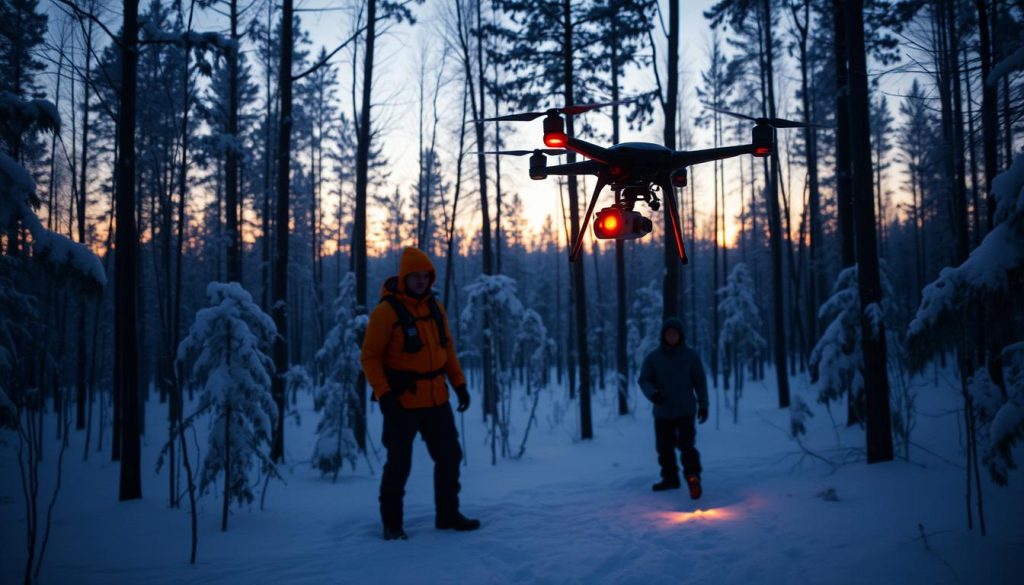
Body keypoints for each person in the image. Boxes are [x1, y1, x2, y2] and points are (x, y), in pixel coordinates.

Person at [360, 247, 480, 541]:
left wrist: (459, 384)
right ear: (405, 277)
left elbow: (447, 349)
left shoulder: (435, 308)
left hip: (437, 399)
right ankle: (392, 525)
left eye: (426, 276)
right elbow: (370, 357)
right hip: (402, 402)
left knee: (450, 457)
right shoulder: (386, 312)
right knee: (399, 464)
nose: (421, 282)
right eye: (415, 277)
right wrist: (384, 395)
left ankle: (448, 515)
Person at [638, 317, 709, 499]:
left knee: (686, 445)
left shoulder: (690, 356)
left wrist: (703, 404)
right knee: (664, 448)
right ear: (663, 335)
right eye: (668, 333)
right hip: (663, 410)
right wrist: (653, 394)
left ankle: (693, 477)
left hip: (686, 409)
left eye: (675, 333)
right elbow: (644, 379)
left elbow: (699, 381)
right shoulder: (654, 357)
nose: (671, 336)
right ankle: (670, 478)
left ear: (680, 335)